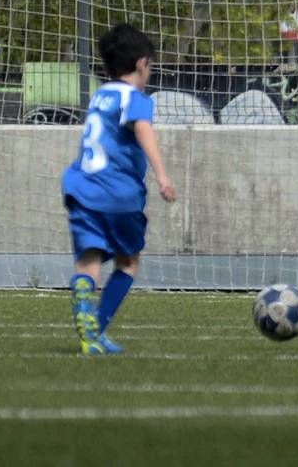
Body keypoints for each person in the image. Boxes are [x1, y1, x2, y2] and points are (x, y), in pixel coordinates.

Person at [62, 23, 176, 355]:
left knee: (89, 261)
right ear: (142, 64)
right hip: (118, 193)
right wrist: (163, 176)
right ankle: (95, 328)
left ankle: (85, 311)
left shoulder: (100, 95)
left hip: (81, 187)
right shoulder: (136, 99)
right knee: (127, 262)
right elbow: (143, 131)